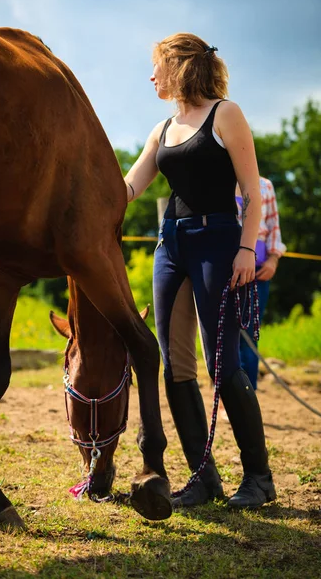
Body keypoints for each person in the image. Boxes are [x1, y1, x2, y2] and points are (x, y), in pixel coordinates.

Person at [124, 33, 276, 509]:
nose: (151, 77)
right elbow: (128, 188)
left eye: (157, 67)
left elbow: (251, 191)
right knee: (175, 363)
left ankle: (259, 478)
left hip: (220, 242)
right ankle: (203, 478)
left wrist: (247, 249)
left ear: (180, 66)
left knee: (223, 363)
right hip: (171, 245)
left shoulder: (225, 114)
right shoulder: (162, 128)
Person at [236, 178, 286, 390]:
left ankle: (249, 397)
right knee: (225, 335)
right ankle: (227, 400)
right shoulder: (217, 178)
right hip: (224, 267)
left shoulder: (265, 185)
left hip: (259, 271)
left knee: (250, 333)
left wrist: (273, 259)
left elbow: (274, 226)